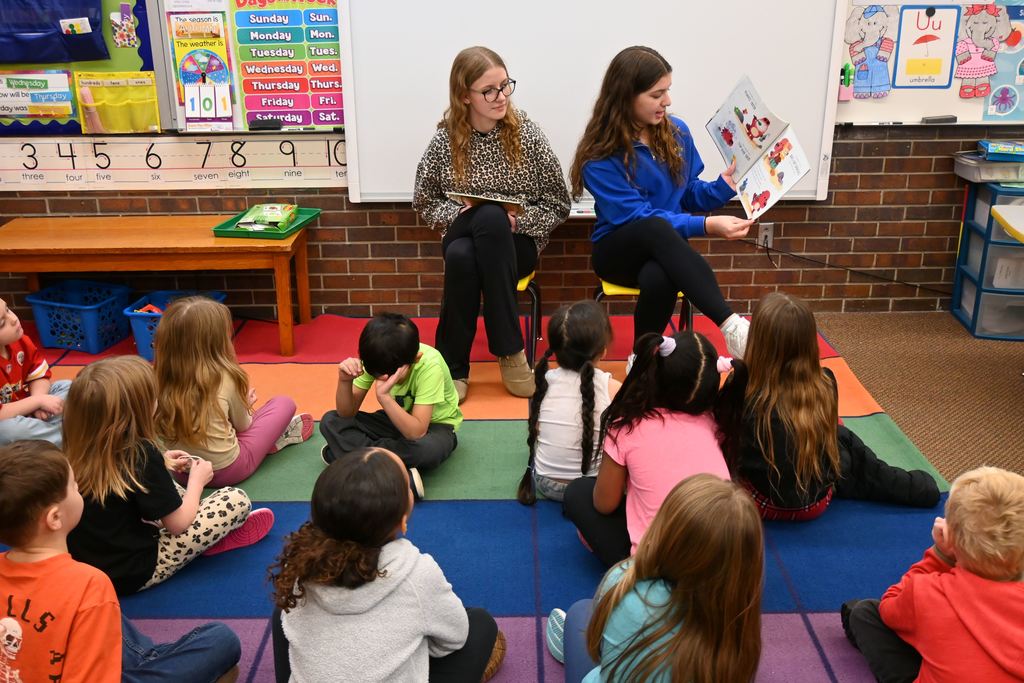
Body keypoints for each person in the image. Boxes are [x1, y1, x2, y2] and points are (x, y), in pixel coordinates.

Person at [0, 440, 241, 683]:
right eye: (74, 486)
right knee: (222, 639)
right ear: (54, 518)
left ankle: (152, 660)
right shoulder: (87, 583)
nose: (79, 488)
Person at [569, 46, 753, 363]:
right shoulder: (598, 156)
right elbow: (638, 218)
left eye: (667, 91)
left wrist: (724, 188)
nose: (666, 101)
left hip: (664, 249)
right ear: (626, 96)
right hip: (618, 250)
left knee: (660, 274)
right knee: (653, 227)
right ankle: (731, 325)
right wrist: (707, 225)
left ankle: (643, 358)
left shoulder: (676, 131)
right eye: (657, 94)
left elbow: (689, 192)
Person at [413, 45, 571, 402]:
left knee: (463, 256)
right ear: (463, 96)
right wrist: (460, 214)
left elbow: (559, 203)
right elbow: (424, 201)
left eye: (505, 86)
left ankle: (453, 366)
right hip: (463, 229)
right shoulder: (445, 140)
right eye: (489, 90)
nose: (501, 97)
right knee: (484, 218)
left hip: (518, 244)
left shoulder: (527, 135)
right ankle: (510, 351)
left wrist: (518, 222)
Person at [269, 447, 506, 683]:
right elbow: (453, 638)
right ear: (402, 520)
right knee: (480, 623)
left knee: (284, 611)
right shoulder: (416, 573)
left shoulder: (300, 566)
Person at [715, 292, 939, 521]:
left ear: (757, 342)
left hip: (758, 503)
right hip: (816, 503)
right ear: (809, 344)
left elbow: (723, 429)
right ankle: (911, 487)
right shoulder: (825, 383)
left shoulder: (744, 386)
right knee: (842, 440)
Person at [64, 355, 274, 595]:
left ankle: (205, 529)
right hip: (136, 570)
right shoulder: (142, 454)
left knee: (170, 491)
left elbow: (124, 487)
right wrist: (197, 482)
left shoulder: (73, 450)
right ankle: (213, 539)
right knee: (235, 500)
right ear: (138, 410)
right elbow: (177, 525)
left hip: (88, 570)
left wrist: (162, 463)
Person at [547, 474, 763, 683]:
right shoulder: (740, 624)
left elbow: (597, 649)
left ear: (667, 531)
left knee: (580, 612)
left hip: (613, 652)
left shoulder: (625, 581)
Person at [562, 331, 733, 566]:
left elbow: (604, 503)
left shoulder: (627, 426)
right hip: (721, 564)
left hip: (655, 568)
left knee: (579, 493)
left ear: (655, 373)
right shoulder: (716, 422)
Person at [842, 466, 1024, 683]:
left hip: (929, 624)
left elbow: (888, 610)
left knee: (865, 612)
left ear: (952, 538)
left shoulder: (928, 591)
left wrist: (941, 555)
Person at [154, 296, 313, 487]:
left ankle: (264, 442)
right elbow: (244, 426)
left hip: (181, 472)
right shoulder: (225, 376)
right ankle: (267, 443)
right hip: (228, 470)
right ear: (217, 343)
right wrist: (246, 403)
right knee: (284, 403)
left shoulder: (156, 378)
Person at [320, 313, 462, 500]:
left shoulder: (429, 364)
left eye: (388, 376)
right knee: (330, 421)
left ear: (416, 358)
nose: (381, 379)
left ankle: (353, 457)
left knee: (427, 451)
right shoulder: (378, 358)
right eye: (376, 375)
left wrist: (384, 397)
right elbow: (346, 413)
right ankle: (395, 470)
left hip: (434, 427)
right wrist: (344, 381)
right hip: (393, 420)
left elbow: (417, 432)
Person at [518, 301, 621, 504]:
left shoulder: (544, 380)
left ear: (555, 349)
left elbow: (538, 428)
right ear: (603, 350)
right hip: (593, 487)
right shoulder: (612, 387)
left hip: (545, 482)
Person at [0, 297, 71, 446]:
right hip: (7, 422)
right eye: (2, 324)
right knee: (8, 431)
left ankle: (52, 435)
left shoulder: (19, 341)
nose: (13, 319)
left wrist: (40, 399)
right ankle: (70, 438)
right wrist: (36, 401)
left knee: (68, 386)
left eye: (7, 310)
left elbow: (38, 374)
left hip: (26, 410)